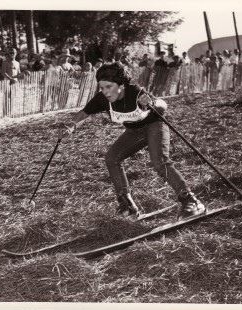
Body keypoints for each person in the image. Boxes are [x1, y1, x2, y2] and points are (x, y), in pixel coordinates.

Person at [58, 62, 205, 218]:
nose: (105, 92)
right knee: (112, 158)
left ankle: (191, 200)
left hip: (155, 125)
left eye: (109, 87)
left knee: (160, 162)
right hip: (134, 131)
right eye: (102, 88)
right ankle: (127, 205)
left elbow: (163, 104)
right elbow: (84, 113)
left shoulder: (135, 92)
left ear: (121, 85)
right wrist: (70, 126)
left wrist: (152, 103)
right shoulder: (102, 99)